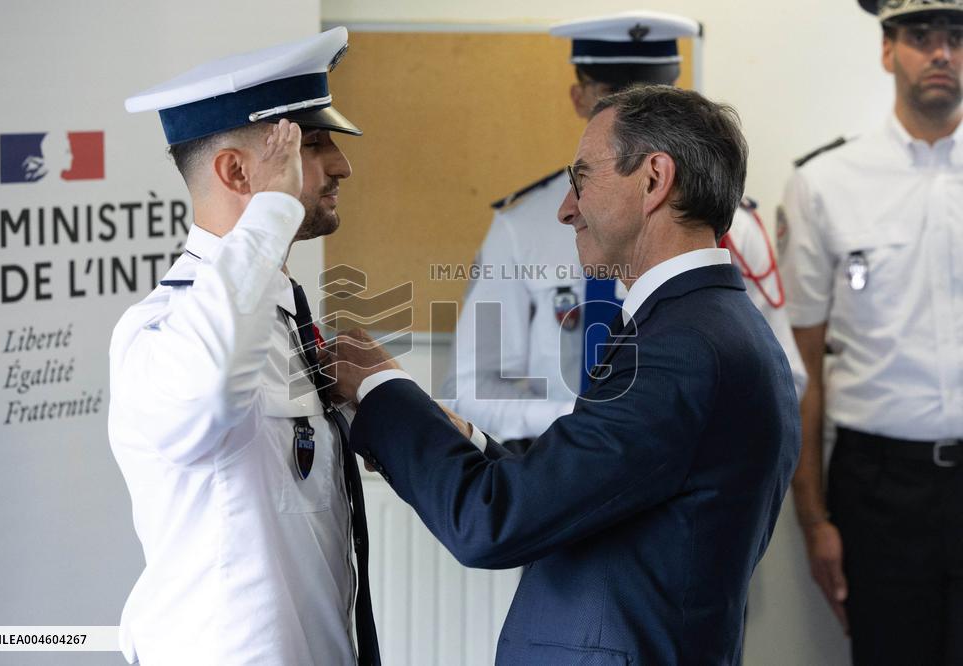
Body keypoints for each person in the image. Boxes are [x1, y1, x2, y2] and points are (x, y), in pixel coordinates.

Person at [327, 85, 800, 665]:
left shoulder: (681, 347)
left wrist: (382, 390)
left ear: (654, 179)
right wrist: (464, 438)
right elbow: (591, 493)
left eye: (583, 178)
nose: (565, 208)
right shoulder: (708, 325)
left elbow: (491, 521)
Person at [109, 28, 380, 665]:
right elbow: (207, 396)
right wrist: (271, 212)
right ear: (237, 172)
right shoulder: (162, 329)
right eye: (312, 146)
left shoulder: (281, 309)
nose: (341, 164)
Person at [443, 11, 806, 450]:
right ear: (581, 99)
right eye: (614, 96)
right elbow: (472, 385)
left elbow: (783, 375)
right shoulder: (525, 224)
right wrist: (596, 421)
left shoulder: (731, 223)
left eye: (657, 98)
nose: (639, 119)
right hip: (553, 468)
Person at [781, 1, 963, 663]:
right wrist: (813, 517)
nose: (941, 52)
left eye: (956, 36)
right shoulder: (825, 184)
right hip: (880, 491)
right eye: (921, 36)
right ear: (888, 51)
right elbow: (804, 367)